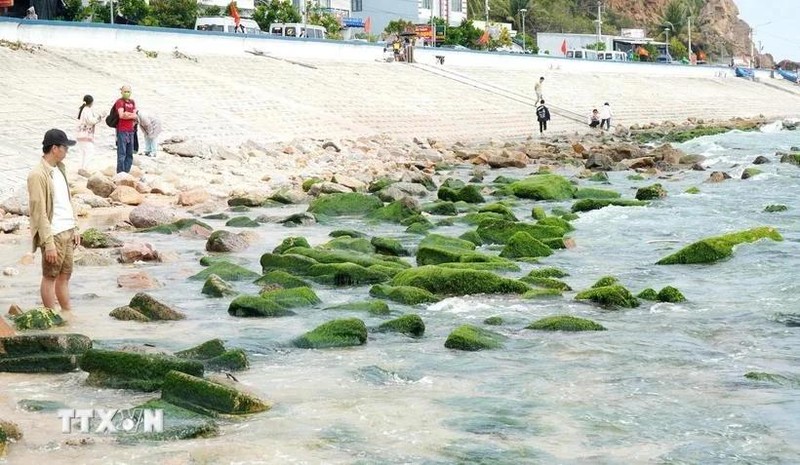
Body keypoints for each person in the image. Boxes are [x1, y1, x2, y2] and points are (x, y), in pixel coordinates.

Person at [27, 129, 80, 313]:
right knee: (50, 276)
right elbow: (38, 212)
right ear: (55, 148)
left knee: (65, 275)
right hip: (53, 232)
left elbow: (67, 200)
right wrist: (48, 242)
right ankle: (50, 315)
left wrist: (76, 228)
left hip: (68, 229)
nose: (67, 151)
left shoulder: (60, 169)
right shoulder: (37, 175)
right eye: (65, 147)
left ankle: (67, 313)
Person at [75, 95, 103, 170]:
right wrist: (99, 118)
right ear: (91, 102)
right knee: (90, 152)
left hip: (80, 134)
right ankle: (84, 168)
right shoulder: (87, 110)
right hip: (85, 134)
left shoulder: (82, 109)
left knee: (82, 152)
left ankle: (80, 168)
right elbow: (91, 121)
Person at [113, 85, 138, 173]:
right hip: (122, 130)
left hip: (131, 130)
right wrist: (129, 115)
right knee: (122, 153)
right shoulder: (119, 102)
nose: (127, 93)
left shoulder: (132, 102)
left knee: (129, 153)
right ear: (122, 92)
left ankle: (126, 172)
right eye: (125, 91)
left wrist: (127, 114)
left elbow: (135, 115)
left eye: (128, 91)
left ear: (131, 92)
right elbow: (121, 115)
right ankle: (120, 172)